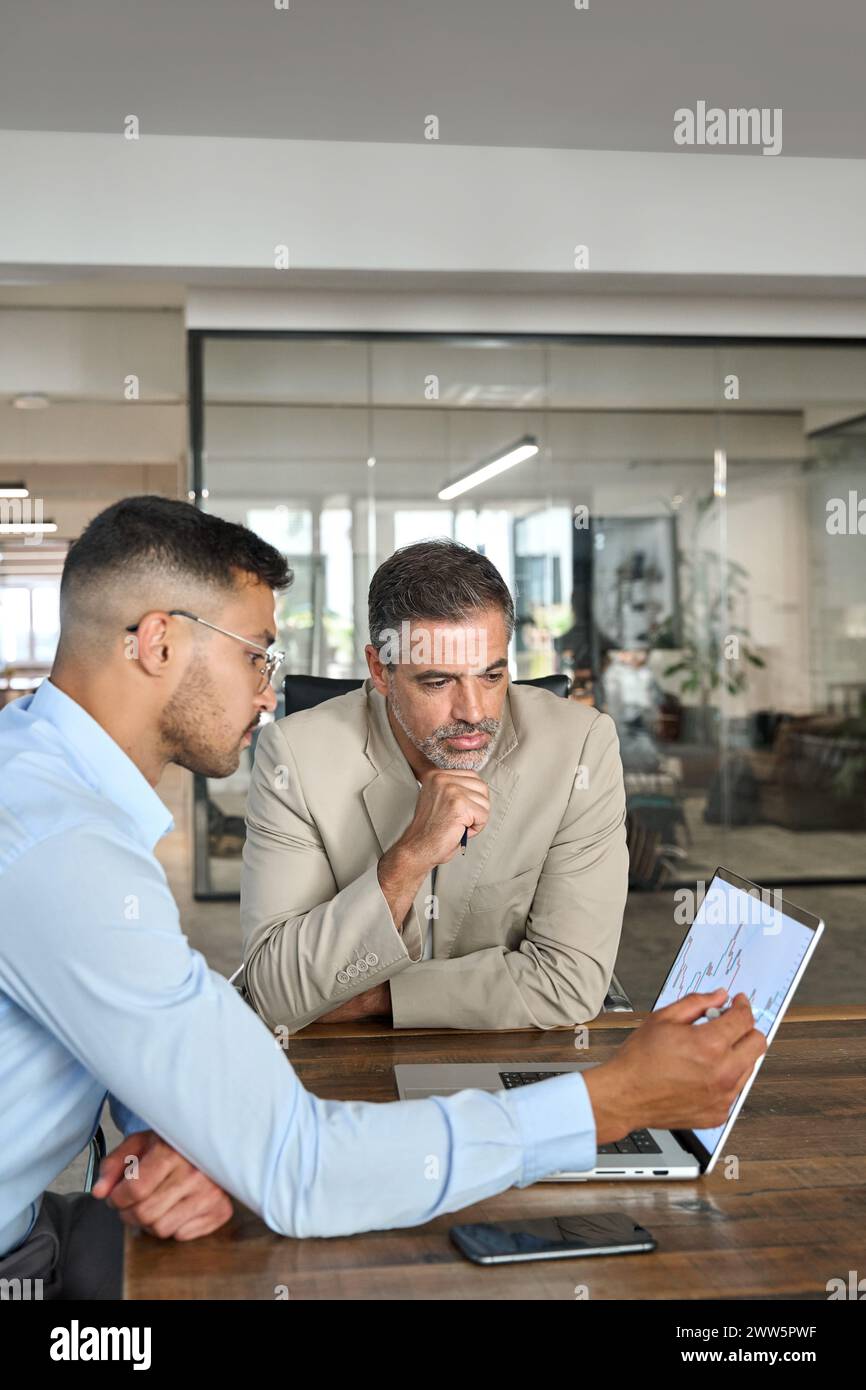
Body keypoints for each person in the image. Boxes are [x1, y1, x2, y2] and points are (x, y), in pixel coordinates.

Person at [0, 496, 766, 1299]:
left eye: (492, 674)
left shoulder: (46, 793)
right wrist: (614, 1098)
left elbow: (133, 1026)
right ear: (159, 642)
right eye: (257, 655)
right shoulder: (65, 848)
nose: (267, 694)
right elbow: (302, 1169)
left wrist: (182, 1127)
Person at [241, 539, 628, 1032]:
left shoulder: (579, 748)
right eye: (438, 682)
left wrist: (373, 998)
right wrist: (409, 857)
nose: (474, 712)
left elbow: (569, 986)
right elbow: (274, 991)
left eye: (492, 675)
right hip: (348, 1073)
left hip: (513, 1063)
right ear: (380, 669)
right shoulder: (294, 757)